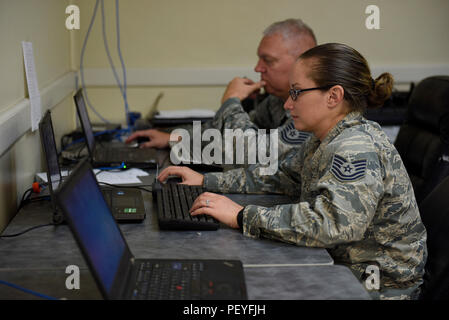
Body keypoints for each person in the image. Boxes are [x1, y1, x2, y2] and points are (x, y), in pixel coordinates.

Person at [157, 43, 428, 300]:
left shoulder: (355, 146)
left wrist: (241, 216)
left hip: (377, 286)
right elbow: (282, 176)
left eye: (296, 92)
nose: (288, 104)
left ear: (333, 96)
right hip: (343, 266)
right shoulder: (324, 138)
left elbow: (331, 224)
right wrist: (207, 180)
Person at [125, 19, 317, 160]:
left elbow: (259, 155)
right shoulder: (275, 101)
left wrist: (231, 102)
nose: (258, 68)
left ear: (302, 61)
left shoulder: (313, 107)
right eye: (259, 59)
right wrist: (173, 138)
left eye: (268, 60)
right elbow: (223, 137)